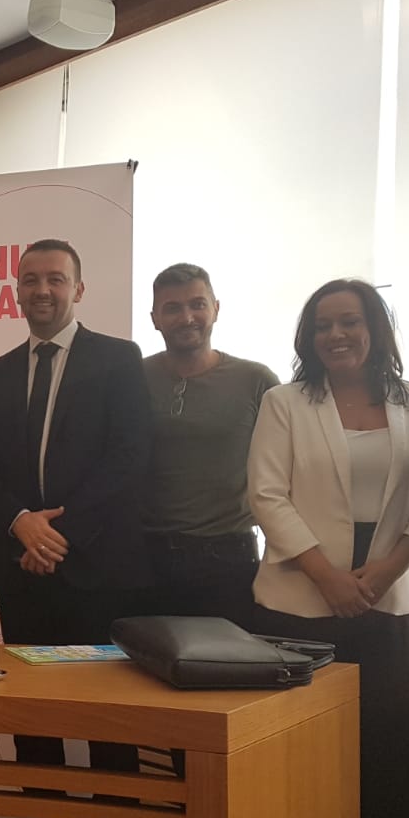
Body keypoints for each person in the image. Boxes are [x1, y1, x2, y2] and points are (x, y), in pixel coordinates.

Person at [247, 278, 409, 818]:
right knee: (302, 745)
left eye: (350, 322)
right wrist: (326, 575)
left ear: (375, 329)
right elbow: (266, 496)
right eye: (322, 325)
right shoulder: (285, 402)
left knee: (382, 740)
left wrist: (386, 570)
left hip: (387, 599)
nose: (336, 335)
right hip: (298, 600)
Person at [0, 238, 151, 768]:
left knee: (108, 722)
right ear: (17, 291)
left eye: (55, 279)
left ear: (79, 289)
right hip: (21, 572)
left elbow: (129, 457)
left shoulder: (119, 359)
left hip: (97, 569)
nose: (42, 289)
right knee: (33, 718)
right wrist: (21, 523)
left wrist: (55, 537)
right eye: (31, 280)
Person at [141, 263, 278, 626]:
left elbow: (287, 472)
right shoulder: (133, 377)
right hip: (146, 560)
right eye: (172, 308)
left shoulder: (256, 380)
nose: (187, 317)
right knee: (143, 661)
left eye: (197, 304)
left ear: (216, 308)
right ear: (155, 318)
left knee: (227, 661)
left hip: (229, 560)